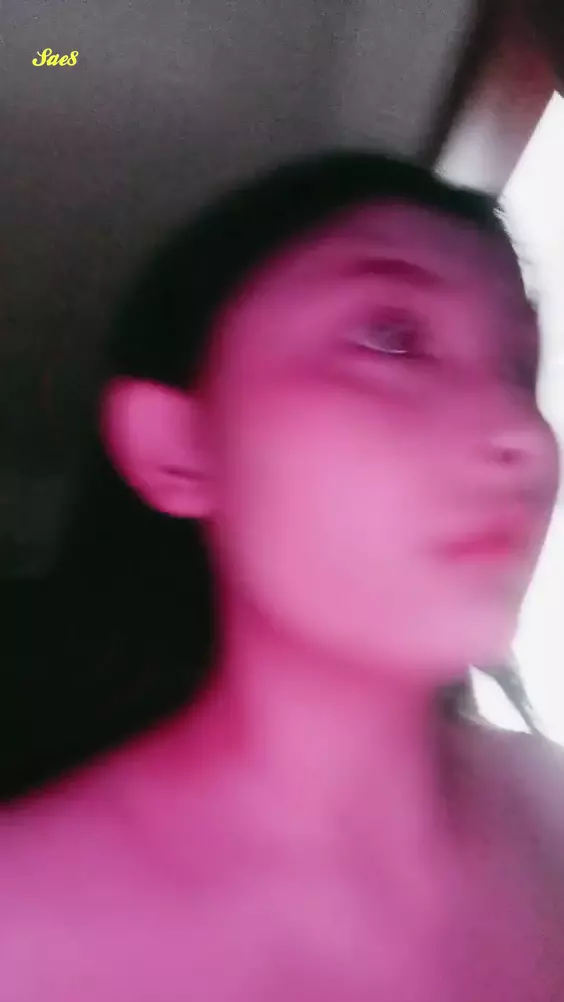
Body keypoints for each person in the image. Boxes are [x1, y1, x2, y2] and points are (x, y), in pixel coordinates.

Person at [1, 149, 563, 1001]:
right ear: (177, 449)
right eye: (393, 336)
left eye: (519, 368)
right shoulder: (21, 934)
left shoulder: (550, 798)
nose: (521, 433)